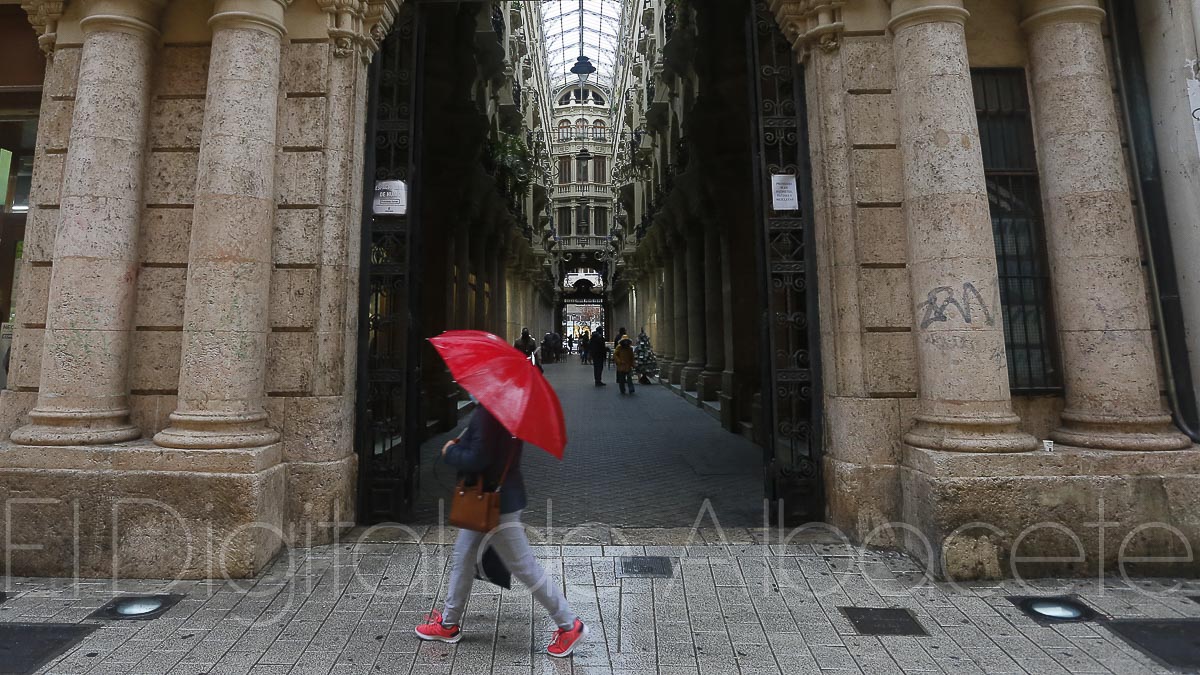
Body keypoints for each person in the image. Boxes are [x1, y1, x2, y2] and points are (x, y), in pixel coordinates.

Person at [415, 404, 588, 656]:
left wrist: (450, 451)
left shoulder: (489, 412)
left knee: (525, 567)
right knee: (462, 556)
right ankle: (448, 624)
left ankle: (569, 624)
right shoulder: (508, 408)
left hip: (494, 505)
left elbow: (480, 458)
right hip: (493, 498)